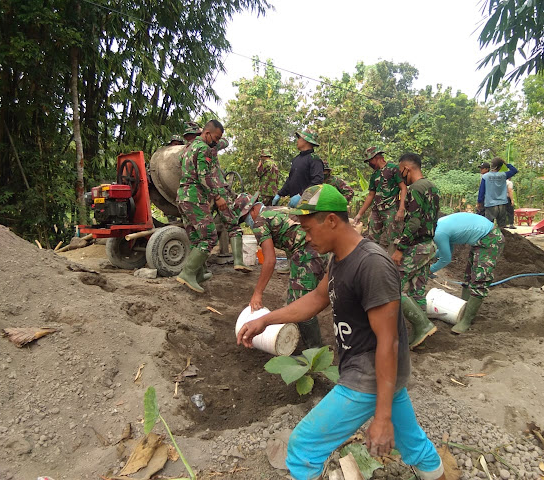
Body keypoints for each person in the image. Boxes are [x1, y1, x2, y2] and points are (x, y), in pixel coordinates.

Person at [237, 184, 445, 480]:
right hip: (379, 373)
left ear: (332, 220)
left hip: (369, 373)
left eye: (309, 229)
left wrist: (382, 418)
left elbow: (389, 340)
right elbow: (317, 299)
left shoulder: (371, 264)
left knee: (303, 446)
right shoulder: (341, 259)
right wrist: (266, 320)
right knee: (414, 445)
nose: (305, 238)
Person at [233, 192, 326, 348]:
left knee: (299, 301)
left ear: (252, 210)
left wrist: (258, 293)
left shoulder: (259, 222)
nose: (246, 222)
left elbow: (269, 260)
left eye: (244, 219)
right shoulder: (275, 209)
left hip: (308, 251)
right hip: (319, 246)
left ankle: (315, 352)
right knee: (300, 296)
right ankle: (299, 337)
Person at [175, 119, 250, 294]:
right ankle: (188, 273)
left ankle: (198, 274)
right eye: (215, 137)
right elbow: (204, 176)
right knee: (209, 237)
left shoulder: (186, 149)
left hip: (182, 195)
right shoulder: (203, 148)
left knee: (196, 238)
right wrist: (217, 196)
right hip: (195, 197)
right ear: (207, 133)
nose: (216, 141)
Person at [391, 153, 440, 348]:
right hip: (428, 246)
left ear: (407, 168)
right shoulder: (432, 186)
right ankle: (421, 335)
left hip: (415, 246)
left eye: (400, 170)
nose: (400, 175)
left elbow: (414, 222)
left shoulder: (415, 189)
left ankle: (422, 325)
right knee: (418, 291)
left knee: (392, 287)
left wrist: (400, 248)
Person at [430, 212, 505, 334]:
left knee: (480, 279)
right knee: (469, 276)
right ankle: (462, 308)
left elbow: (446, 259)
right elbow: (447, 250)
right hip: (480, 239)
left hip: (490, 238)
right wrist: (429, 256)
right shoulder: (439, 226)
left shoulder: (439, 233)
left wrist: (429, 270)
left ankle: (467, 320)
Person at [353, 147, 407, 248]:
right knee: (372, 240)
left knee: (393, 239)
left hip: (391, 210)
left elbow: (403, 188)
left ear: (377, 158)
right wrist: (360, 214)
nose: (369, 164)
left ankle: (393, 261)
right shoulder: (374, 175)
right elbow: (371, 195)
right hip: (376, 210)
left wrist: (401, 209)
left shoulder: (393, 169)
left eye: (370, 161)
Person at [273, 130, 324, 207]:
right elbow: (291, 180)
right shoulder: (296, 159)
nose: (297, 141)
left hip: (308, 205)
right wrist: (279, 194)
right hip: (294, 204)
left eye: (299, 138)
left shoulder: (314, 159)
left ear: (306, 141)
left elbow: (317, 182)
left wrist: (302, 196)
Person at [477, 157, 518, 227]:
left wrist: (479, 202)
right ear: (500, 167)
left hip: (490, 205)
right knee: (501, 227)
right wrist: (506, 163)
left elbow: (481, 191)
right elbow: (514, 170)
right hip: (502, 204)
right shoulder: (503, 175)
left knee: (489, 226)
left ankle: (491, 237)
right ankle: (501, 237)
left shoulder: (485, 177)